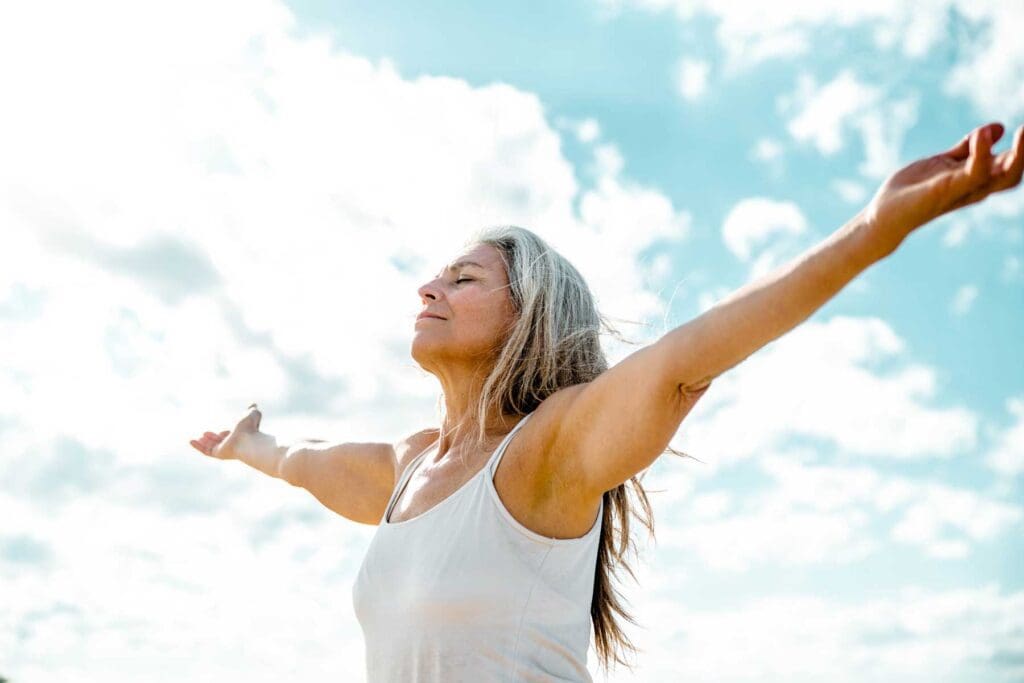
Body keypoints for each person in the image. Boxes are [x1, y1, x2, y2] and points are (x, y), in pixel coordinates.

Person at [190, 121, 1023, 681]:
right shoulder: (408, 468)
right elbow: (303, 462)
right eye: (437, 273)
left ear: (528, 316)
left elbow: (686, 358)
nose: (429, 287)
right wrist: (248, 446)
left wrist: (877, 227)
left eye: (464, 277)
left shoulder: (548, 454)